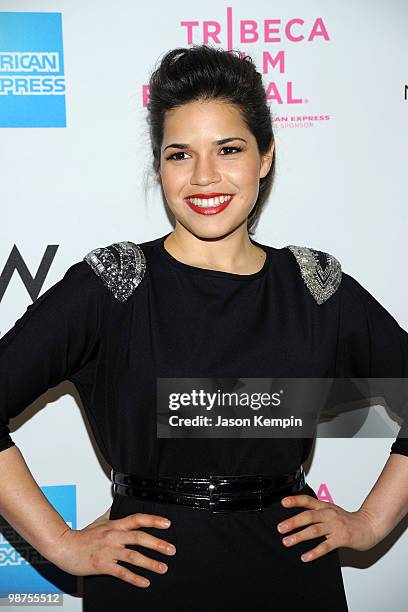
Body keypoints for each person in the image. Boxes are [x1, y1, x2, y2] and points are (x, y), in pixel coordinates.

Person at [0, 44, 407, 612]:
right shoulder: (114, 286)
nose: (204, 177)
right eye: (179, 155)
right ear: (158, 165)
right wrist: (61, 544)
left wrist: (368, 525)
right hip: (148, 581)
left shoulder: (316, 288)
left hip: (292, 577)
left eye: (229, 149)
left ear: (266, 156)